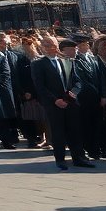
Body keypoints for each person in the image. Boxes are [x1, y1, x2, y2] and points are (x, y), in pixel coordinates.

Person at [32, 37, 92, 170]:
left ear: (56, 45)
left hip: (70, 103)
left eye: (50, 44)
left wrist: (72, 95)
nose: (46, 46)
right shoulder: (38, 64)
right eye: (43, 44)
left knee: (75, 131)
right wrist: (55, 100)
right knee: (58, 132)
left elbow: (77, 81)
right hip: (54, 104)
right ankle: (60, 159)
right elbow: (40, 86)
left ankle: (79, 158)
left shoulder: (67, 60)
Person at [73, 34, 106, 159]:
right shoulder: (75, 60)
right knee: (87, 125)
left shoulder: (95, 59)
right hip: (85, 99)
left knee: (100, 124)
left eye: (85, 44)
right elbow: (81, 80)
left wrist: (103, 95)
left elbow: (101, 78)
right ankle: (92, 150)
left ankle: (104, 148)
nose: (84, 46)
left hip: (98, 99)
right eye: (81, 44)